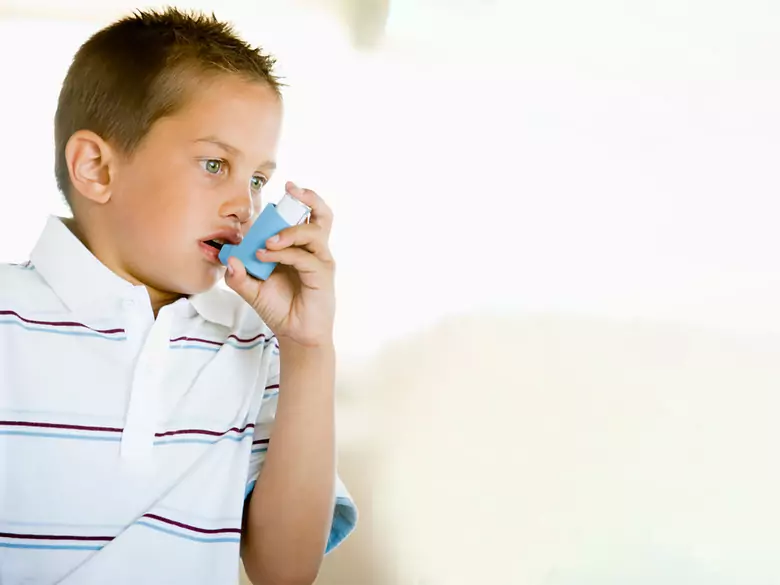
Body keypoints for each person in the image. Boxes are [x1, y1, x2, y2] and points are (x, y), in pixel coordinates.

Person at [0, 8, 356, 585]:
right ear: (96, 167)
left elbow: (285, 572)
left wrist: (308, 348)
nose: (246, 205)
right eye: (215, 164)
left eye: (259, 179)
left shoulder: (255, 344)